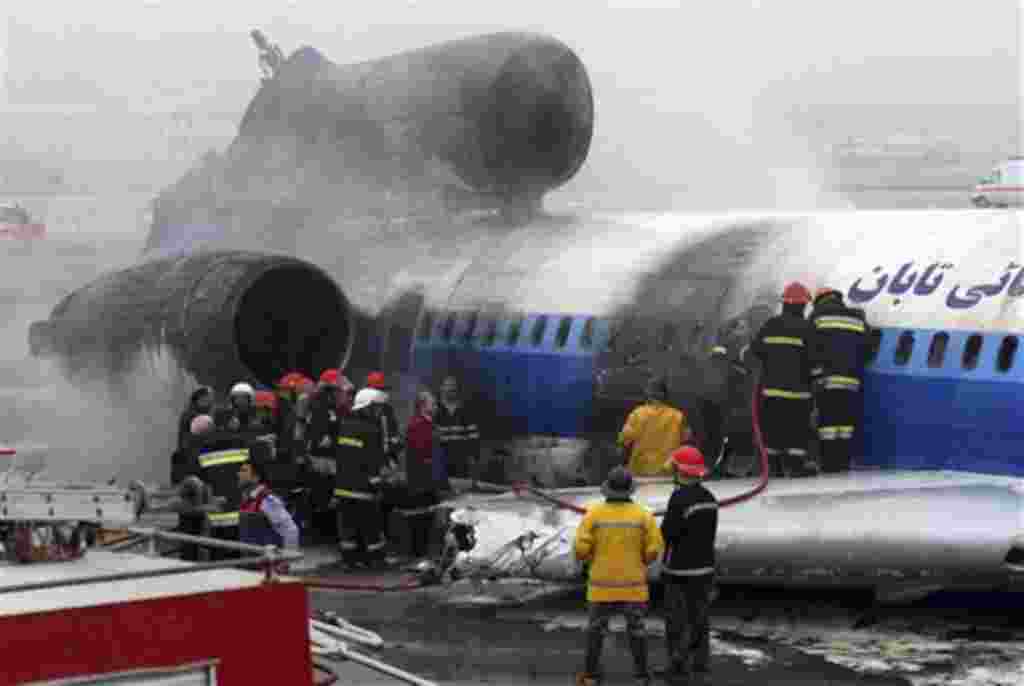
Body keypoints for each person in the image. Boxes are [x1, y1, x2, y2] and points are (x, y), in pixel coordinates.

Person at [574, 467, 664, 686]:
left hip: (600, 587)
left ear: (608, 489)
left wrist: (592, 559)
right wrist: (640, 561)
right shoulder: (643, 515)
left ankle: (590, 676)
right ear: (630, 490)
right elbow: (654, 549)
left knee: (596, 631)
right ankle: (641, 676)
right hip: (633, 587)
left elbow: (580, 549)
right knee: (637, 630)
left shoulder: (593, 514)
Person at [660, 446, 719, 683]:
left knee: (676, 621)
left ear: (680, 471)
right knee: (700, 619)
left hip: (679, 569)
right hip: (705, 568)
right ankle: (700, 665)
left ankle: (677, 666)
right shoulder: (709, 498)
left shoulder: (678, 498)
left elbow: (669, 533)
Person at [748, 282, 816, 477]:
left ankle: (773, 468)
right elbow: (815, 359)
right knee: (797, 432)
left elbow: (756, 350)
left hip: (772, 393)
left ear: (784, 303)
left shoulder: (771, 325)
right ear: (803, 305)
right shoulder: (808, 328)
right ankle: (795, 468)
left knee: (772, 432)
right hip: (799, 395)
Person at [809, 288, 871, 473]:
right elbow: (867, 348)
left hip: (827, 380)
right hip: (851, 380)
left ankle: (829, 463)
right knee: (845, 423)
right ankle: (842, 462)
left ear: (819, 300)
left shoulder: (818, 317)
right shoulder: (858, 318)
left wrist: (815, 373)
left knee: (828, 423)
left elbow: (810, 348)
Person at [333, 396, 388, 567]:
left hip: (343, 487)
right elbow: (372, 461)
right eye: (376, 408)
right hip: (363, 489)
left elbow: (341, 456)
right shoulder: (371, 429)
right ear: (367, 408)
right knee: (370, 526)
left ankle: (349, 560)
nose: (379, 411)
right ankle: (375, 559)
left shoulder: (344, 425)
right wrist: (378, 485)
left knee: (348, 527)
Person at [618, 377, 690, 477]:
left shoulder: (637, 414)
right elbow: (687, 443)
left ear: (648, 393)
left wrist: (621, 466)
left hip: (640, 472)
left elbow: (624, 442)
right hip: (668, 472)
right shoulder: (678, 416)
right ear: (665, 394)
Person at [403, 390, 441, 559]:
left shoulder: (430, 424)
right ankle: (417, 554)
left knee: (427, 516)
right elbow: (421, 454)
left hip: (428, 479)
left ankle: (423, 553)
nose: (436, 406)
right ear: (422, 406)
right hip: (420, 479)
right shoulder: (417, 425)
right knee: (420, 518)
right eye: (432, 403)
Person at [238, 458, 300, 550]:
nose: (239, 474)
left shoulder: (266, 499)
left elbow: (291, 530)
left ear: (256, 478)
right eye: (240, 471)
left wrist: (288, 556)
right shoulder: (248, 500)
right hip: (252, 557)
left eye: (244, 471)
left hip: (269, 558)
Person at [434, 375, 480, 481]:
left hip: (461, 460)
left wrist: (474, 457)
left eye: (453, 386)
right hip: (440, 459)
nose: (450, 389)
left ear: (457, 390)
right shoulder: (435, 409)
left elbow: (473, 435)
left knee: (460, 486)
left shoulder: (465, 409)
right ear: (441, 388)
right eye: (447, 385)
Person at [357, 372, 403, 466]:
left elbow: (394, 434)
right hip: (363, 463)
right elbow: (351, 441)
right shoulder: (359, 411)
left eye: (383, 390)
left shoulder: (387, 410)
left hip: (384, 463)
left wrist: (393, 454)